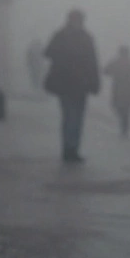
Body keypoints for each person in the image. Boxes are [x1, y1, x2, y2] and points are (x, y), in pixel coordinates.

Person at [43, 9, 100, 163]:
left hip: (77, 85)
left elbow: (93, 62)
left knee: (74, 117)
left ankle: (71, 149)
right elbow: (48, 52)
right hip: (70, 84)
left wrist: (95, 83)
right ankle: (70, 149)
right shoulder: (67, 36)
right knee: (71, 117)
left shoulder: (67, 36)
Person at [104, 45, 130, 136]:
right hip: (129, 88)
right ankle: (125, 124)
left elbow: (106, 71)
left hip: (118, 87)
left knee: (117, 106)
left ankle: (124, 124)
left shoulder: (116, 62)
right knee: (127, 107)